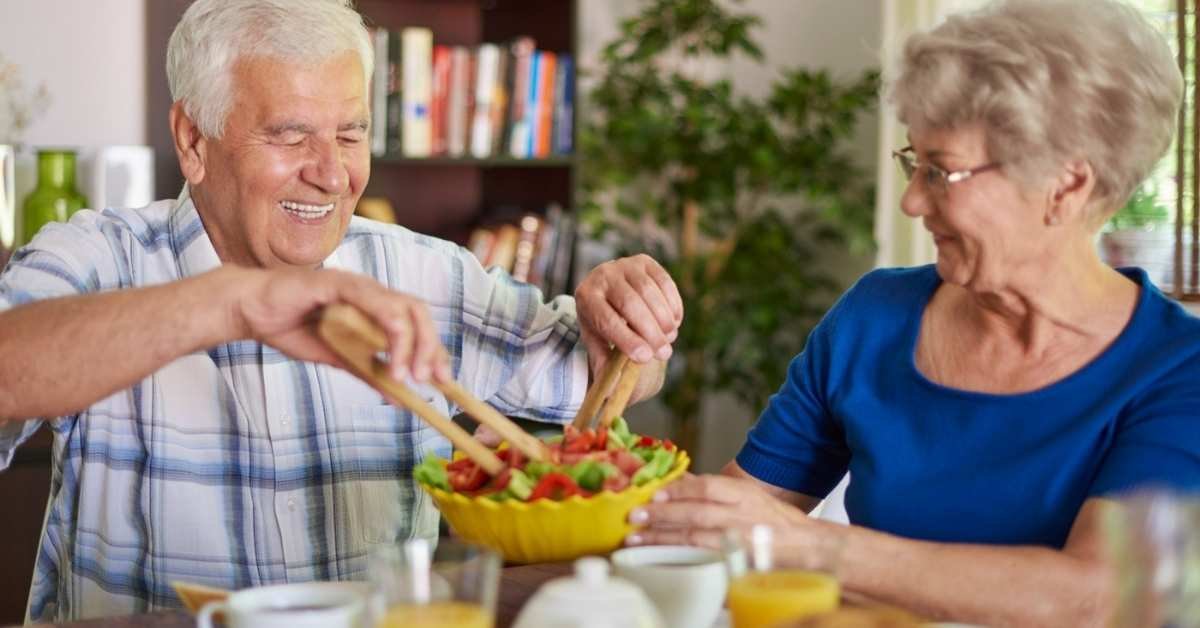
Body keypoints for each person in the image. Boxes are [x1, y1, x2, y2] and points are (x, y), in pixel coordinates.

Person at [0, 0, 681, 622]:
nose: (332, 173)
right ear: (191, 139)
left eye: (350, 135)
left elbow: (608, 379)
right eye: (291, 136)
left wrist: (628, 323)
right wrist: (233, 302)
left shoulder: (423, 272)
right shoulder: (102, 256)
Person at [627, 0, 1200, 625]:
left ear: (1066, 186)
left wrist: (816, 547)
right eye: (913, 162)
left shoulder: (1176, 369)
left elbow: (1096, 600)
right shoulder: (875, 316)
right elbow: (735, 514)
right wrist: (594, 449)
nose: (910, 201)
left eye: (940, 172)